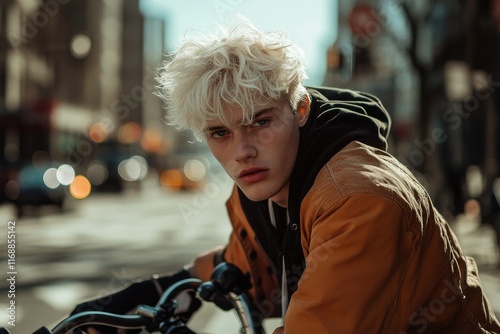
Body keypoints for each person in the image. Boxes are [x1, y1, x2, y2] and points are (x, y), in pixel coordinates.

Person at [72, 18, 500, 333]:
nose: (242, 151)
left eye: (260, 121)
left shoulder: (358, 198)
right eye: (220, 132)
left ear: (300, 109)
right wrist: (154, 290)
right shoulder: (272, 187)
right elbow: (248, 264)